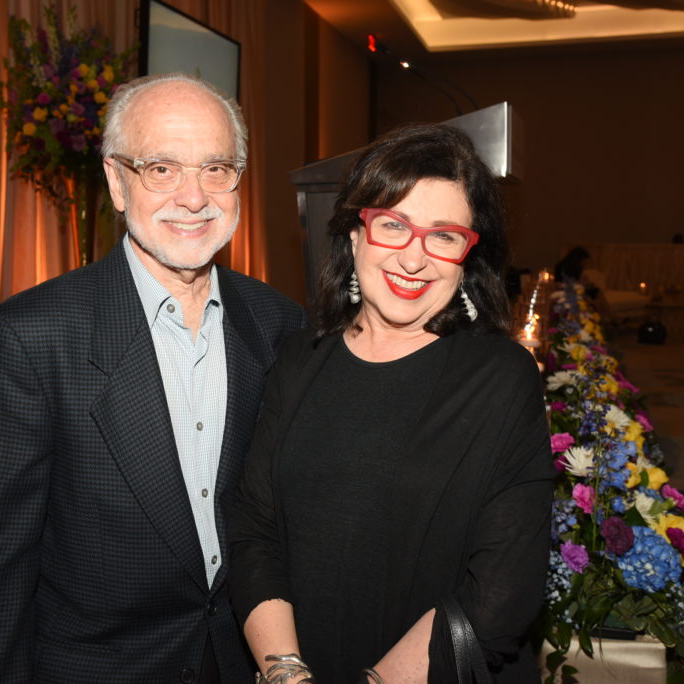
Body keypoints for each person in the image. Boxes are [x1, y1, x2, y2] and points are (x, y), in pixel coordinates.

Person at [0, 73, 305, 682]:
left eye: (216, 169)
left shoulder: (279, 322)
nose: (194, 197)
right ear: (117, 181)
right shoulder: (33, 336)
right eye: (162, 169)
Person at [227, 124, 554, 683]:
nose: (414, 258)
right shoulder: (300, 358)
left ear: (467, 255)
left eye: (443, 236)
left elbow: (500, 593)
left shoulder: (502, 379)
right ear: (356, 234)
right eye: (394, 225)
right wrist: (287, 674)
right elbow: (254, 529)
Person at [554, 246, 612, 321]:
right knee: (592, 296)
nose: (585, 264)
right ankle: (608, 319)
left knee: (597, 292)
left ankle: (610, 318)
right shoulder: (561, 267)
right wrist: (580, 284)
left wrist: (586, 283)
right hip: (567, 291)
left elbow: (579, 280)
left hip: (577, 288)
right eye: (584, 261)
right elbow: (561, 283)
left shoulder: (577, 268)